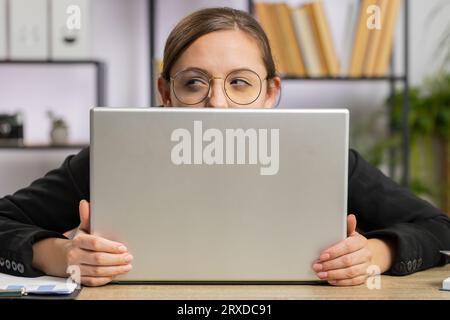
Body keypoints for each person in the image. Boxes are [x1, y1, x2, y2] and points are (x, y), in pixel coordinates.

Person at [0, 7, 449, 287]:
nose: (216, 101)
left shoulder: (326, 159)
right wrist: (58, 256)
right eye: (193, 83)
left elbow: (437, 227)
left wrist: (376, 253)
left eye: (240, 82)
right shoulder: (111, 159)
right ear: (165, 91)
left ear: (271, 92)